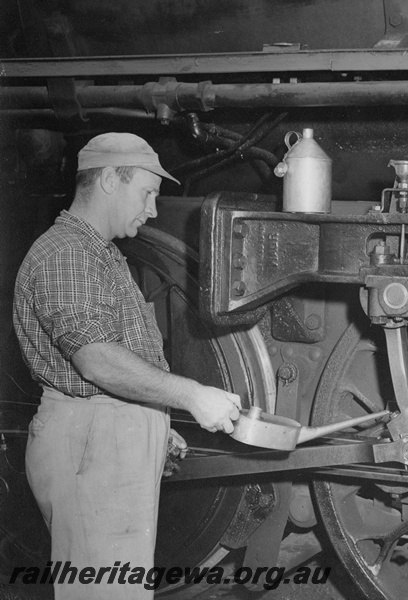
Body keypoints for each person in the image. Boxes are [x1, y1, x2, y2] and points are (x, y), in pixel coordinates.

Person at [13, 132, 242, 599]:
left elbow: (115, 359)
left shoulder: (97, 253)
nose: (154, 209)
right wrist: (192, 396)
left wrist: (154, 421)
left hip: (105, 438)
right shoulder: (68, 254)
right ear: (110, 182)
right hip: (92, 444)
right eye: (148, 192)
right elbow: (96, 359)